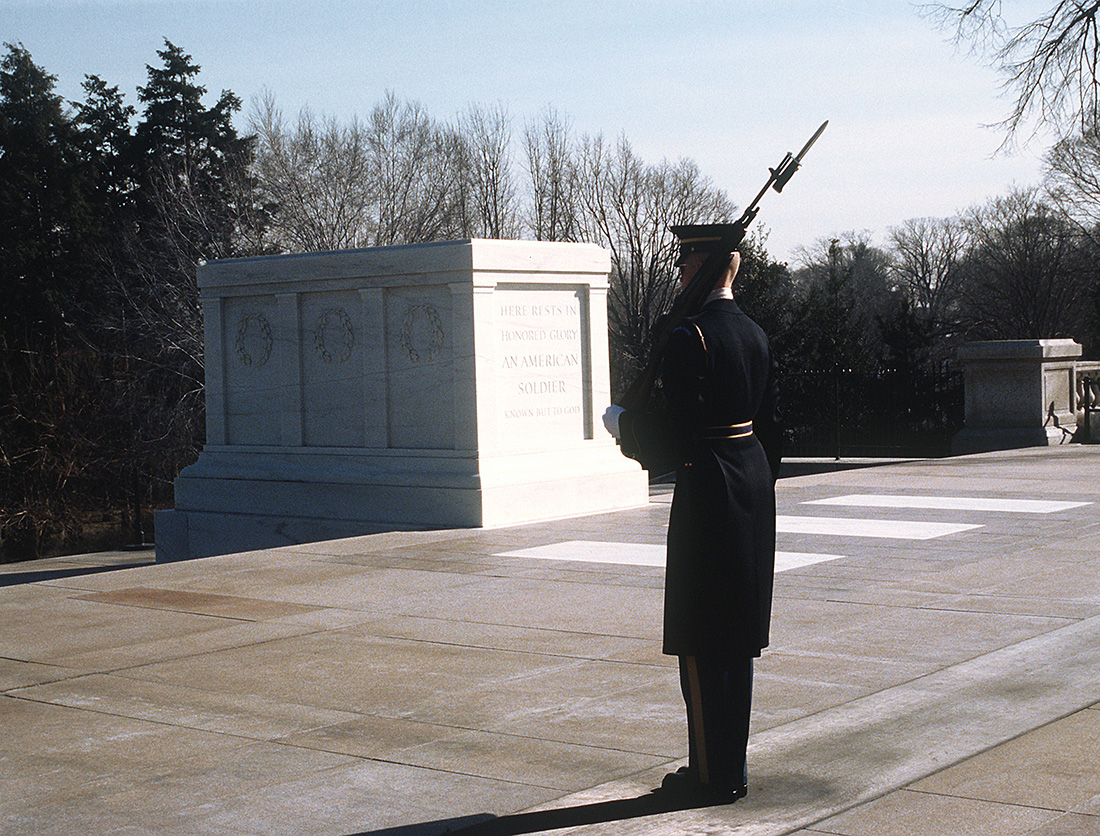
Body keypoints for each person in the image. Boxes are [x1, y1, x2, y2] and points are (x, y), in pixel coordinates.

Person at [602, 223, 782, 804]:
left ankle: (712, 775)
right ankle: (726, 763)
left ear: (698, 269)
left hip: (708, 493)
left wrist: (625, 428)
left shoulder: (691, 338)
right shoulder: (753, 333)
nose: (679, 273)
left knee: (704, 641)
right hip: (752, 486)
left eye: (684, 265)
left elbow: (675, 437)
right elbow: (768, 425)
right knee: (738, 640)